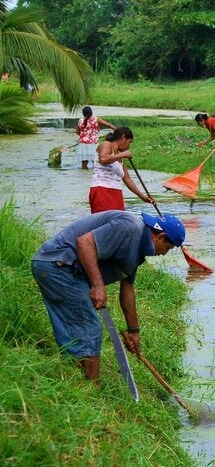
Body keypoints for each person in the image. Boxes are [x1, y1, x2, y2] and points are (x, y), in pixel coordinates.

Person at [30, 210, 186, 380]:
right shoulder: (130, 228)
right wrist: (97, 285)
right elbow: (85, 243)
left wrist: (133, 330)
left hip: (67, 271)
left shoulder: (139, 247)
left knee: (76, 328)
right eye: (168, 248)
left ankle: (74, 382)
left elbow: (127, 287)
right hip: (58, 265)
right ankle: (92, 391)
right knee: (90, 329)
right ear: (160, 237)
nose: (164, 253)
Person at [89, 127, 154, 213]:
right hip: (102, 190)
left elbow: (127, 179)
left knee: (118, 222)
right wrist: (123, 155)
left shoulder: (120, 158)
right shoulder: (107, 144)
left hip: (116, 192)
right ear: (123, 138)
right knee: (104, 220)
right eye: (129, 142)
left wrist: (142, 197)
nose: (129, 146)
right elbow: (103, 159)